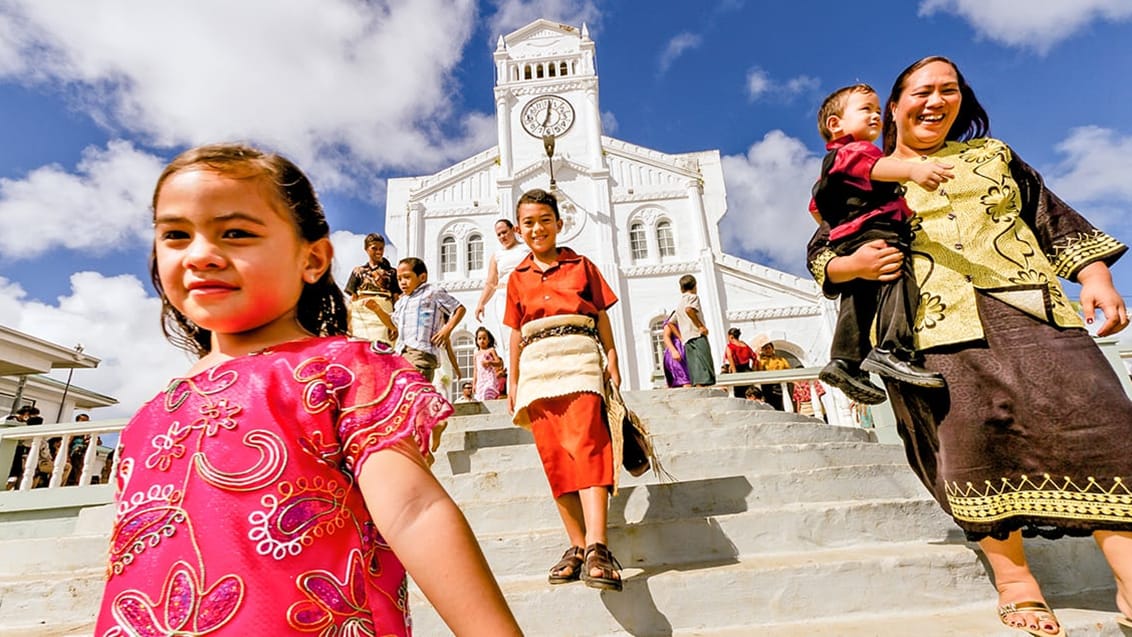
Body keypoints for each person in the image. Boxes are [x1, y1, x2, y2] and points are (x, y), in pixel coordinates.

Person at [95, 143, 520, 636]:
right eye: (175, 234)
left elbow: (414, 511)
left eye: (235, 232)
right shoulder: (148, 417)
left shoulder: (347, 372)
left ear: (313, 258)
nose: (201, 254)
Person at [807, 56, 1132, 637]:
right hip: (928, 328)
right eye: (921, 91)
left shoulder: (993, 156)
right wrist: (849, 264)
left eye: (949, 90)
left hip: (1033, 309)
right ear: (896, 107)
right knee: (970, 446)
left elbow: (1051, 218)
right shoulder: (870, 172)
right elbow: (825, 243)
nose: (935, 101)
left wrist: (1097, 277)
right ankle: (1016, 583)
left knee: (1104, 426)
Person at [505, 188, 624, 592]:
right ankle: (576, 546)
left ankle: (598, 546)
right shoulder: (517, 277)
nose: (537, 228)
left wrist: (612, 357)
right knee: (554, 457)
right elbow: (515, 333)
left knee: (589, 445)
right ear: (519, 229)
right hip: (538, 369)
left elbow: (602, 316)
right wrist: (513, 379)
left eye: (544, 219)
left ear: (559, 222)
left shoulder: (582, 265)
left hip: (578, 357)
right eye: (528, 222)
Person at [809, 83, 948, 404]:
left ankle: (845, 360)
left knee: (858, 297)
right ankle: (892, 348)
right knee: (898, 279)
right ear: (836, 124)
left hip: (852, 237)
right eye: (865, 109)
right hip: (877, 232)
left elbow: (816, 210)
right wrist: (913, 171)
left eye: (877, 110)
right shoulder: (857, 151)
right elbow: (874, 168)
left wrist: (845, 230)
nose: (876, 115)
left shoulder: (830, 171)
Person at [391, 257, 466, 383]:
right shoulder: (402, 301)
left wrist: (446, 329)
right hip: (402, 353)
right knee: (407, 392)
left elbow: (459, 308)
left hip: (421, 352)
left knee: (417, 389)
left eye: (407, 277)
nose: (402, 282)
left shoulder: (432, 292)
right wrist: (377, 309)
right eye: (399, 279)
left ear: (422, 277)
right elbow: (394, 324)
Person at [343, 233, 400, 345]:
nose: (378, 251)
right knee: (360, 347)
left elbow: (396, 298)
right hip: (361, 315)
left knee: (381, 347)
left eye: (381, 248)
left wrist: (394, 324)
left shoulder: (392, 272)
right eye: (374, 248)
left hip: (383, 313)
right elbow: (353, 300)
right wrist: (348, 323)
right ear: (366, 249)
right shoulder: (357, 271)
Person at [474, 219, 530, 324]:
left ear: (513, 229)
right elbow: (491, 283)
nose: (502, 237)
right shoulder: (497, 255)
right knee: (508, 334)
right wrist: (481, 303)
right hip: (504, 297)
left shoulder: (527, 248)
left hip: (526, 295)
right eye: (499, 234)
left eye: (504, 232)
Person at [674, 275, 715, 387]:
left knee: (694, 364)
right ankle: (703, 385)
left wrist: (680, 336)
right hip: (696, 334)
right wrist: (700, 326)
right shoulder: (692, 297)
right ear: (694, 286)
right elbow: (689, 310)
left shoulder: (679, 304)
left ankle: (698, 385)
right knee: (704, 361)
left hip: (687, 338)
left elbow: (670, 322)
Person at [753, 335, 790, 411]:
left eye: (769, 348)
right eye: (765, 349)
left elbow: (788, 369)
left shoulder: (780, 359)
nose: (767, 350)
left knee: (780, 401)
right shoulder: (762, 361)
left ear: (772, 349)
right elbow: (758, 370)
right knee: (770, 402)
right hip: (768, 385)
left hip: (779, 384)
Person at [723, 327, 757, 398]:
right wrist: (753, 369)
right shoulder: (744, 345)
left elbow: (730, 357)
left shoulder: (730, 346)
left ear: (731, 336)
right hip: (747, 370)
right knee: (749, 393)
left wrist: (734, 370)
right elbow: (754, 357)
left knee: (738, 394)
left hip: (737, 370)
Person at [473, 326, 505, 401]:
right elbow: (475, 370)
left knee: (488, 393)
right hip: (480, 380)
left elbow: (499, 363)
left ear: (488, 340)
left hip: (489, 377)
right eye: (479, 338)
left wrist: (490, 362)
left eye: (484, 338)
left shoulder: (491, 350)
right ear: (477, 340)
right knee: (481, 397)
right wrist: (474, 383)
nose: (482, 340)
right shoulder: (476, 354)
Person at [661, 313, 691, 388]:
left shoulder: (686, 321)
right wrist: (673, 351)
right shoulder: (671, 321)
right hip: (676, 350)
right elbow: (666, 337)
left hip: (686, 352)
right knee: (684, 379)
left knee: (688, 380)